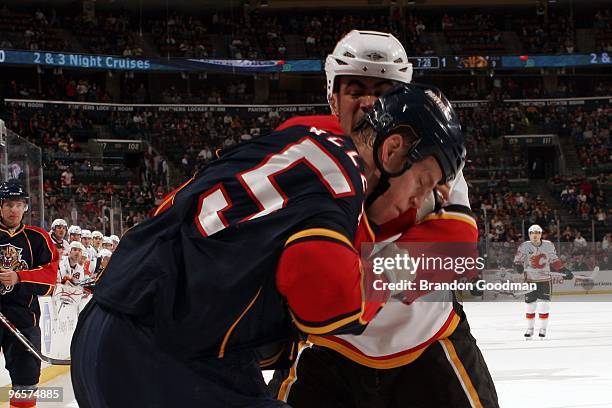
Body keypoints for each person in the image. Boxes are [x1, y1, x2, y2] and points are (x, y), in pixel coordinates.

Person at [70, 83, 452, 407]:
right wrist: (399, 264)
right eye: (422, 181)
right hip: (157, 355)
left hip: (105, 330)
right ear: (394, 149)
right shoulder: (343, 181)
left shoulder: (292, 140)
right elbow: (331, 304)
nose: (417, 202)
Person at [273, 30, 498, 408]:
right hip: (325, 350)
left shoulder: (429, 147)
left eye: (382, 90)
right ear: (332, 97)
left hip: (427, 343)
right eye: (355, 89)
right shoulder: (300, 147)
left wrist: (355, 280)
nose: (368, 102)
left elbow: (455, 246)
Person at [0, 180, 58, 408]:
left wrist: (19, 277)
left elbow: (50, 276)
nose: (13, 209)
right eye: (8, 204)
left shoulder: (38, 238)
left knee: (25, 381)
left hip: (24, 318)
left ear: (25, 207)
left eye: (18, 204)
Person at [514, 224, 573, 339]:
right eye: (532, 233)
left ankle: (543, 329)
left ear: (540, 234)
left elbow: (554, 260)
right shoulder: (524, 246)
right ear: (529, 234)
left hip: (545, 280)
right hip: (530, 280)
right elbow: (518, 261)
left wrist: (563, 270)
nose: (534, 235)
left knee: (544, 306)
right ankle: (530, 329)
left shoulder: (548, 245)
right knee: (530, 306)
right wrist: (518, 266)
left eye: (537, 233)